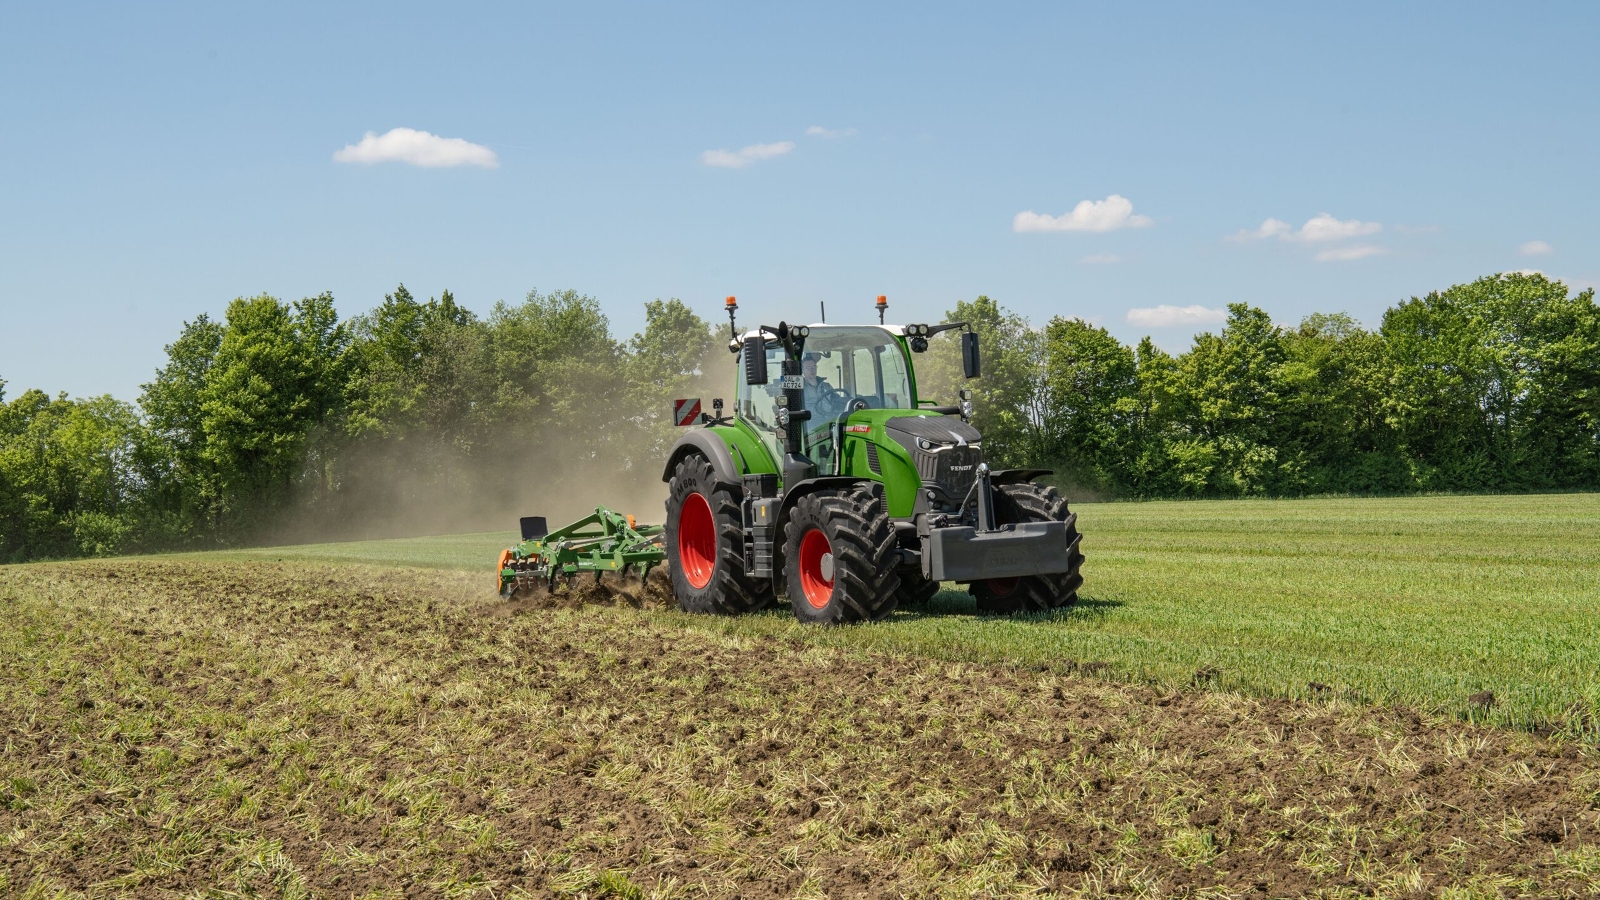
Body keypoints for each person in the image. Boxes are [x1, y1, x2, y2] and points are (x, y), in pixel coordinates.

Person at [800, 352, 845, 420]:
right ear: (803, 370)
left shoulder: (827, 386)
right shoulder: (800, 388)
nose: (812, 370)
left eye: (814, 367)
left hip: (828, 420)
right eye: (808, 368)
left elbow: (837, 401)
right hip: (810, 422)